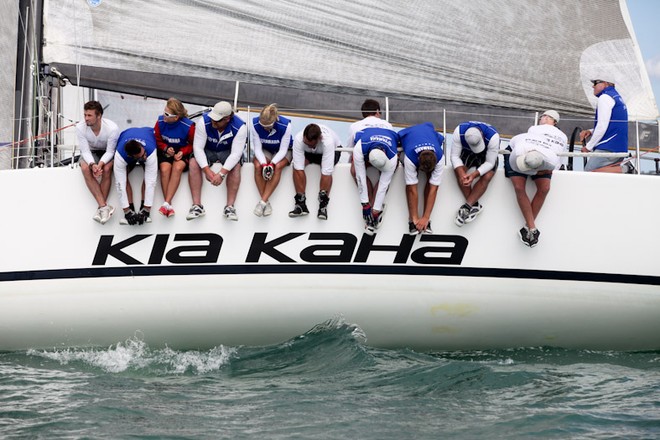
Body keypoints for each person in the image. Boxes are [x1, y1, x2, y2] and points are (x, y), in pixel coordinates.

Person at [504, 110, 567, 247]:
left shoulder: (550, 155)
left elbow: (556, 162)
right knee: (519, 187)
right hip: (519, 155)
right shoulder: (521, 146)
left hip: (541, 155)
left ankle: (528, 227)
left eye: (547, 117)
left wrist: (540, 172)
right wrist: (533, 172)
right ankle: (532, 228)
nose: (543, 118)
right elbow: (518, 165)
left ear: (554, 122)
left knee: (544, 188)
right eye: (543, 116)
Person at [188, 101, 247, 221]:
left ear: (227, 119)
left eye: (217, 120)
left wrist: (221, 174)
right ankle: (196, 206)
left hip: (227, 151)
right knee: (193, 162)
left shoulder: (240, 127)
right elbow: (198, 148)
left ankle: (230, 207)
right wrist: (206, 170)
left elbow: (236, 154)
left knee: (236, 165)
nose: (213, 122)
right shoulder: (203, 122)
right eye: (213, 118)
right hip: (208, 150)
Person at [76, 100, 120, 224]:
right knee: (85, 168)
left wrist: (100, 164)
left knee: (106, 169)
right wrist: (92, 165)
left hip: (107, 152)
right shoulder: (80, 127)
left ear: (99, 116)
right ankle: (103, 206)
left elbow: (110, 151)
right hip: (91, 153)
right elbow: (85, 151)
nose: (86, 118)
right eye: (85, 115)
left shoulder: (112, 128)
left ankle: (101, 209)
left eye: (89, 115)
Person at [450, 121, 500, 226]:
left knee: (487, 176)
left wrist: (473, 175)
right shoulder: (458, 132)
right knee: (459, 172)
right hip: (468, 152)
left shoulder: (493, 137)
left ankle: (467, 206)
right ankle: (474, 205)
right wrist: (462, 174)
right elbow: (454, 156)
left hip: (487, 154)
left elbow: (490, 163)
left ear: (482, 135)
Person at [399, 122, 444, 235]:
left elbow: (434, 189)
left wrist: (425, 217)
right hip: (407, 135)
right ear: (418, 160)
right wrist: (415, 218)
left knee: (431, 179)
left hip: (430, 132)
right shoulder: (410, 157)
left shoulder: (440, 157)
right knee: (411, 183)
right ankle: (411, 220)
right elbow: (412, 189)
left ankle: (426, 221)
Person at [352, 127, 399, 235]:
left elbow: (384, 184)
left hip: (390, 137)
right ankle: (371, 208)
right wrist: (365, 204)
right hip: (365, 137)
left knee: (385, 179)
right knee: (354, 171)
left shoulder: (392, 157)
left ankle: (376, 210)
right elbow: (360, 177)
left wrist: (375, 210)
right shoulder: (359, 148)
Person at [289, 123, 341, 220]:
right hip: (309, 153)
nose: (308, 145)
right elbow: (299, 168)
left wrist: (322, 196)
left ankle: (323, 206)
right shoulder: (299, 139)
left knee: (325, 168)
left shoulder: (327, 142)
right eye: (306, 143)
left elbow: (326, 172)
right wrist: (308, 147)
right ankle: (300, 204)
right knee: (296, 166)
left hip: (333, 150)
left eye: (310, 144)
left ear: (319, 139)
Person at [579, 75, 630, 173]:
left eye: (595, 83)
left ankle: (626, 169)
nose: (593, 86)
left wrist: (588, 147)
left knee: (589, 172)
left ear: (605, 84)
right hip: (619, 147)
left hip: (608, 147)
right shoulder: (616, 97)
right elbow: (611, 125)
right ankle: (624, 169)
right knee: (601, 178)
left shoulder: (605, 97)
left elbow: (602, 126)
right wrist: (591, 131)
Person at [154, 97, 195, 217]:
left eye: (166, 114)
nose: (163, 115)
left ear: (176, 117)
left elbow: (194, 144)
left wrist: (182, 151)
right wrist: (166, 148)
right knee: (165, 169)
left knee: (177, 167)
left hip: (182, 152)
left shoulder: (188, 126)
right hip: (166, 150)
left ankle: (166, 203)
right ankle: (168, 204)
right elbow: (157, 140)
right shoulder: (160, 122)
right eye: (163, 112)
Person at [250, 103, 293, 217]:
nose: (265, 128)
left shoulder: (285, 125)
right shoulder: (254, 124)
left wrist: (272, 164)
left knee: (278, 167)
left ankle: (262, 202)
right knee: (258, 166)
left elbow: (283, 150)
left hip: (283, 150)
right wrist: (265, 164)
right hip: (265, 148)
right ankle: (266, 203)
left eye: (269, 126)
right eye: (263, 125)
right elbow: (257, 149)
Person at [113, 127, 158, 225]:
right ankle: (130, 207)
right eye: (141, 156)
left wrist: (147, 209)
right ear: (131, 156)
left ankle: (143, 207)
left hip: (148, 133)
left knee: (148, 175)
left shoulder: (149, 151)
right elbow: (119, 184)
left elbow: (151, 182)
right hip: (126, 134)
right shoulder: (120, 156)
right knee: (123, 177)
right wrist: (126, 211)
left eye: (143, 153)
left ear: (141, 147)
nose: (144, 156)